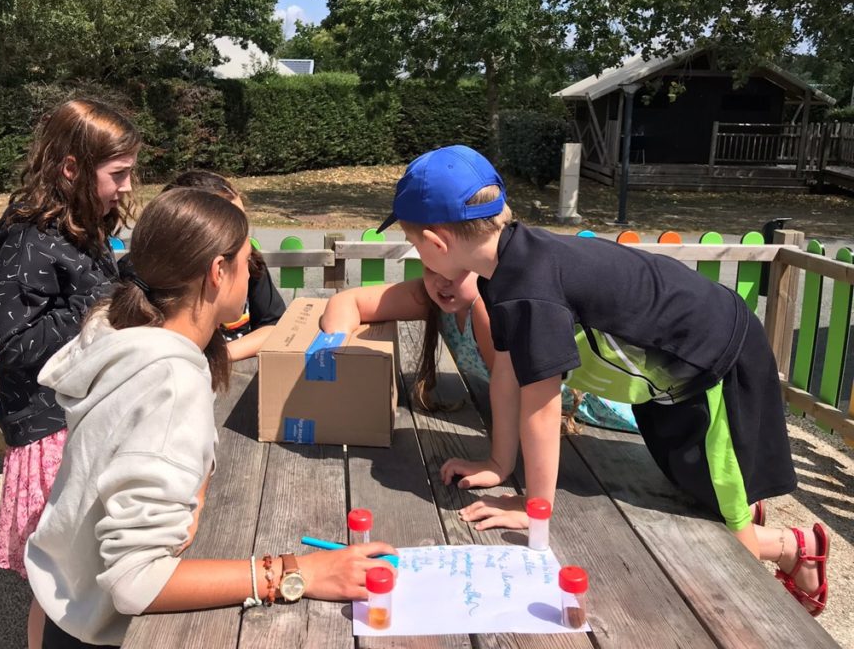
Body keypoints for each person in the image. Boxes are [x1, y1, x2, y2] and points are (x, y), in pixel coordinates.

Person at [375, 144, 829, 617]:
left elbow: (542, 406)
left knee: (729, 551)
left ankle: (794, 547)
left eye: (414, 244)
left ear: (436, 242)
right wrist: (496, 461)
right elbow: (506, 370)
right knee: (690, 489)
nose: (419, 255)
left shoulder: (530, 289)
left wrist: (533, 508)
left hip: (714, 363)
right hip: (667, 374)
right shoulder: (504, 268)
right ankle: (734, 497)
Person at [25, 188, 397, 648]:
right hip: (98, 631)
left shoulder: (116, 324)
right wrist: (291, 572)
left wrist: (196, 487)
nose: (253, 272)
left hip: (62, 602)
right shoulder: (171, 381)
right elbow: (135, 581)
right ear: (217, 272)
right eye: (246, 260)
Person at [0, 99, 140, 648]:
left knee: (75, 575)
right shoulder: (27, 238)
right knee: (58, 583)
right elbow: (12, 343)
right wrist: (101, 303)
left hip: (77, 415)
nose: (126, 187)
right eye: (117, 174)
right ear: (71, 168)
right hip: (48, 428)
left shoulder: (79, 226)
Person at [319, 260, 639, 433]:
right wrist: (335, 355)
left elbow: (521, 399)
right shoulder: (434, 296)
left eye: (457, 271)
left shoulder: (485, 310)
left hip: (596, 402)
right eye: (432, 269)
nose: (442, 281)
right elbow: (348, 301)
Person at [162, 169, 286, 360]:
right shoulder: (152, 279)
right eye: (234, 225)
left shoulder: (249, 261)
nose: (244, 236)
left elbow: (275, 325)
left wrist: (217, 358)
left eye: (243, 222)